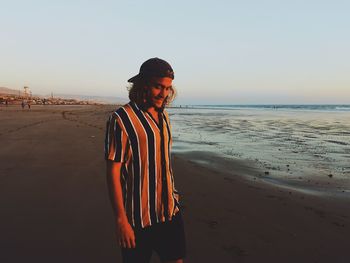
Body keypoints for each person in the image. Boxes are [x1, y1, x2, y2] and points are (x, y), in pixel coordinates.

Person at [105, 58, 186, 263]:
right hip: (137, 219)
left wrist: (173, 194)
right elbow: (113, 172)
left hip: (169, 212)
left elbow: (161, 161)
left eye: (167, 88)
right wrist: (121, 220)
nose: (164, 93)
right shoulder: (122, 119)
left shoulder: (164, 117)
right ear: (143, 85)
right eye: (158, 86)